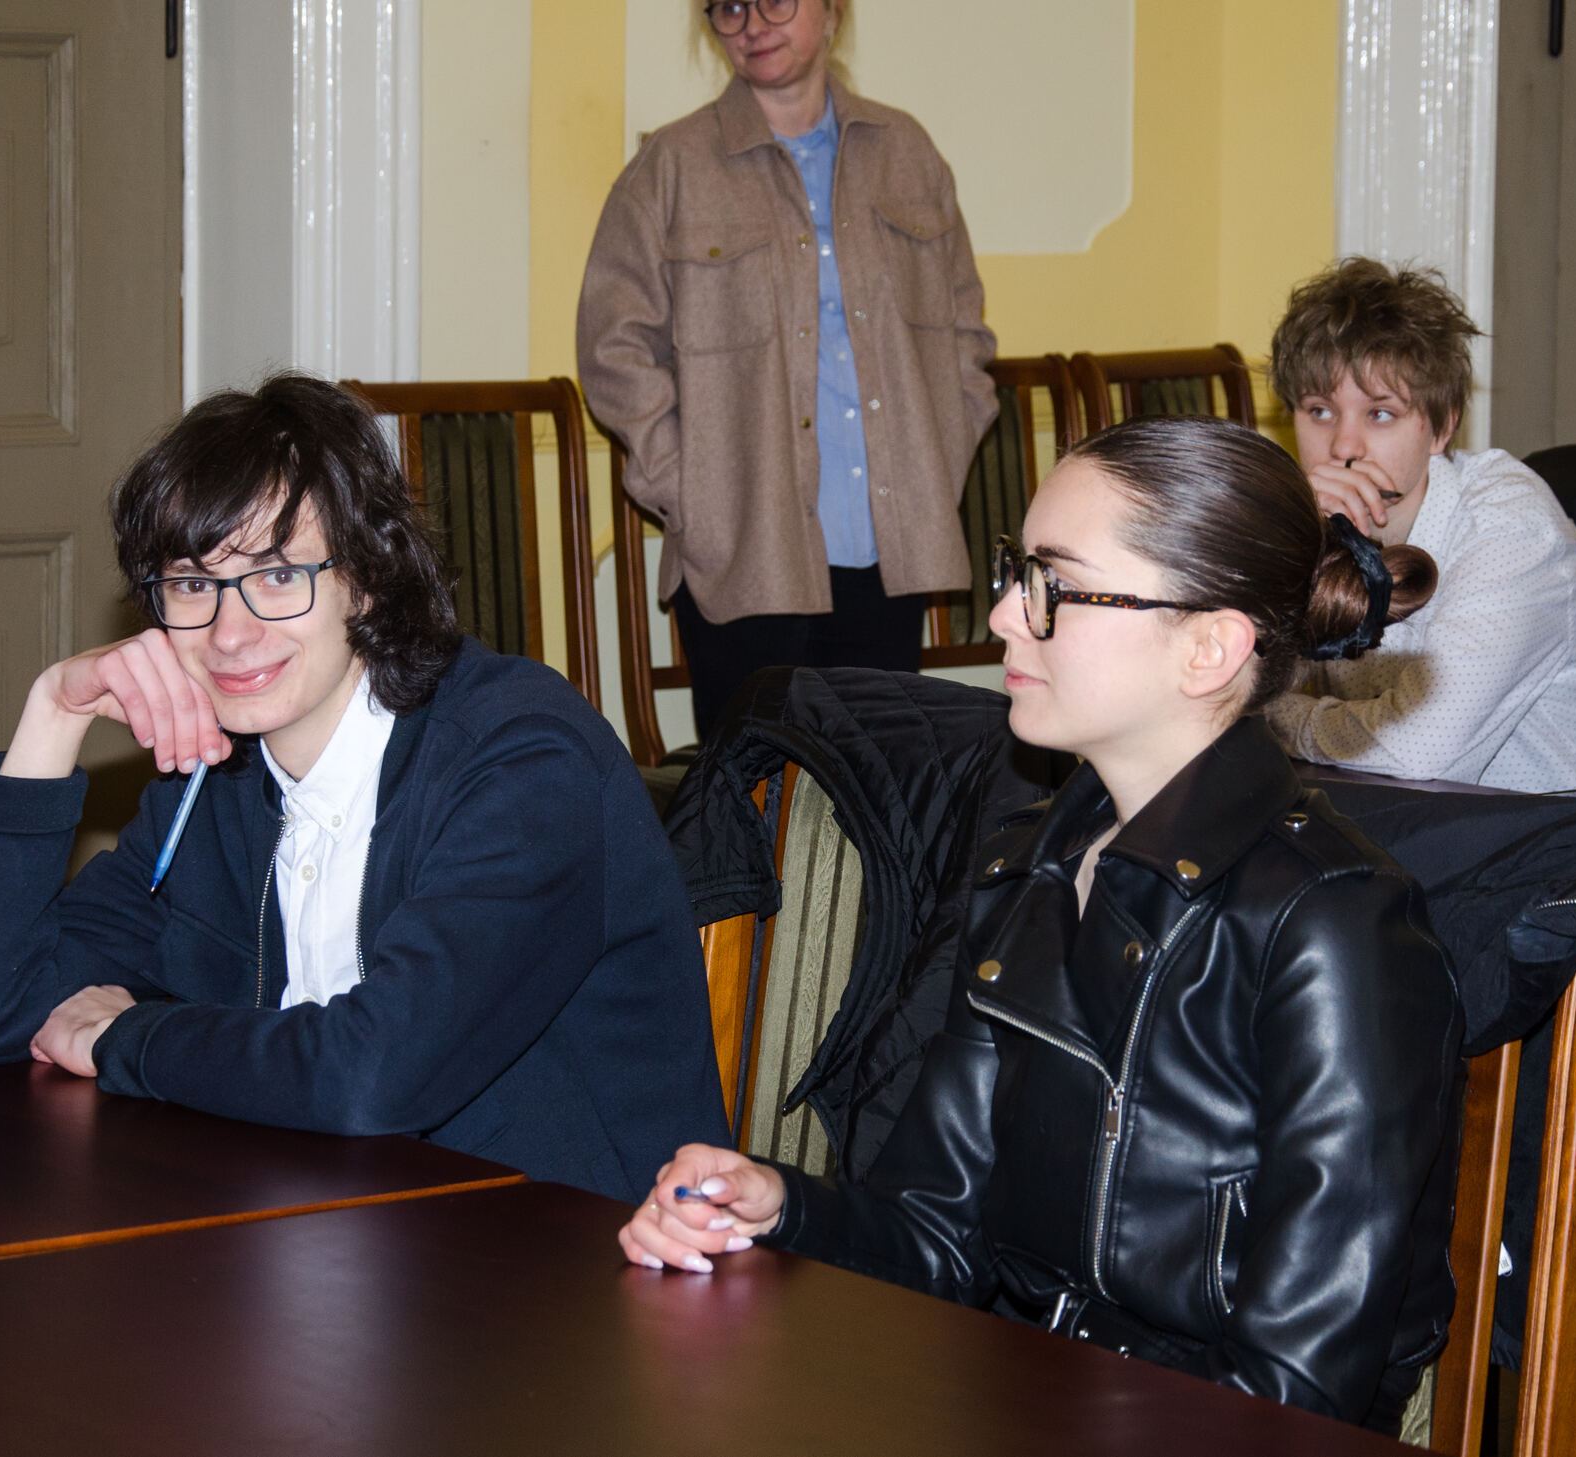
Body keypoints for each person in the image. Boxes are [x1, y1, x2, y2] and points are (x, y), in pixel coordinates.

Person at [617, 414, 1463, 1436]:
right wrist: (779, 1205)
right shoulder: (1029, 861)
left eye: (1054, 585)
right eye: (1019, 571)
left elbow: (1292, 1396)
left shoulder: (1334, 926)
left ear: (1208, 646)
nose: (1006, 613)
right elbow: (934, 1234)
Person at [0, 373, 728, 1202]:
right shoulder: (215, 782)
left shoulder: (523, 763)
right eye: (192, 583)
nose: (230, 632)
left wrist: (130, 1036)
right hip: (336, 1227)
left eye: (277, 575)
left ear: (364, 578)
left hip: (577, 1251)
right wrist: (53, 714)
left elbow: (372, 1074)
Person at [577, 0, 997, 741]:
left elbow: (965, 334)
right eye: (729, 8)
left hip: (886, 554)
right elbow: (613, 350)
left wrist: (938, 463)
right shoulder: (671, 168)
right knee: (755, 791)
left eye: (775, 1)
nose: (752, 24)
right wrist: (693, 493)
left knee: (878, 790)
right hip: (745, 556)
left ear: (833, 11)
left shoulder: (906, 154)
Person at [1260, 258, 1576, 792]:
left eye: (1380, 413)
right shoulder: (1315, 519)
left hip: (1554, 829)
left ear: (1441, 427)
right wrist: (1289, 542)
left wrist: (1275, 718)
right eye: (1319, 411)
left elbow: (1421, 750)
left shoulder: (1509, 526)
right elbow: (1225, 677)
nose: (1343, 446)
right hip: (1394, 817)